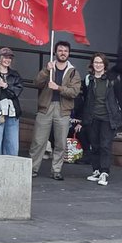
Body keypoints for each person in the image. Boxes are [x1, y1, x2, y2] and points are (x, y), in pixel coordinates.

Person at [29, 40, 82, 180]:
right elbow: (36, 83)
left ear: (69, 53)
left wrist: (58, 88)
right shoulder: (49, 67)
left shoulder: (73, 72)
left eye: (65, 51)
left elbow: (74, 92)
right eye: (60, 50)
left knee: (60, 143)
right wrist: (46, 70)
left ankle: (56, 170)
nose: (63, 53)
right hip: (45, 107)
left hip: (63, 109)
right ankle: (32, 169)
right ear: (55, 52)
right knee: (38, 141)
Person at [75, 53, 122, 187]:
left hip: (108, 117)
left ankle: (104, 171)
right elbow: (85, 99)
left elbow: (119, 98)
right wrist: (82, 118)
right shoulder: (88, 79)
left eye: (101, 63)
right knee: (94, 144)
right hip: (92, 116)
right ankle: (96, 170)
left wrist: (119, 116)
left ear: (105, 65)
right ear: (92, 64)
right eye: (96, 62)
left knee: (105, 145)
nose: (98, 65)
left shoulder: (111, 79)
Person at [0, 47, 23, 156]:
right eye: (5, 57)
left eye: (10, 57)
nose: (7, 60)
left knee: (12, 144)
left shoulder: (15, 74)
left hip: (12, 111)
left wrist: (6, 86)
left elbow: (17, 91)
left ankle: (10, 169)